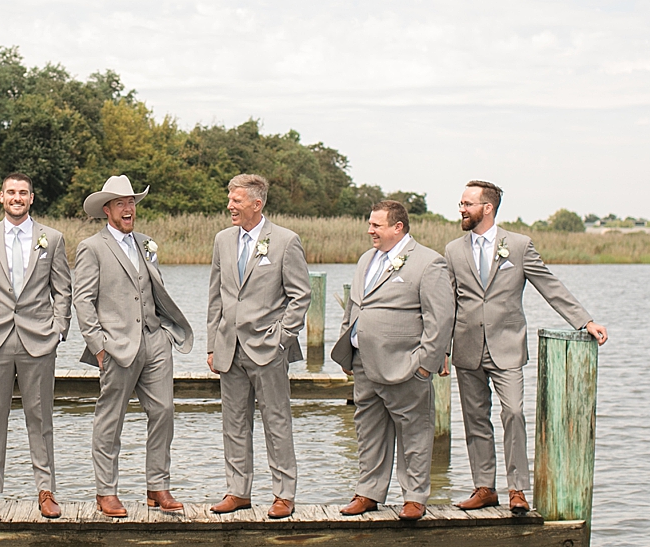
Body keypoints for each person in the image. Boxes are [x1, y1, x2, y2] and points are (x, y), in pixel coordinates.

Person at [446, 180, 609, 514]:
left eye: (467, 204)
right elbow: (447, 303)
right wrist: (440, 351)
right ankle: (484, 488)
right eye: (461, 204)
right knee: (475, 419)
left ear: (487, 208)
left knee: (514, 413)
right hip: (466, 346)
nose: (461, 209)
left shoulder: (518, 246)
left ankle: (517, 489)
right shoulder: (452, 250)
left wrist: (584, 320)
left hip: (507, 347)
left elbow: (549, 284)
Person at [72, 174, 193, 518]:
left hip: (155, 342)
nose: (129, 209)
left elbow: (155, 289)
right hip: (116, 346)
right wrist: (99, 346)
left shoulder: (146, 243)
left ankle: (158, 487)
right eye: (121, 203)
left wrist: (166, 334)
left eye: (132, 203)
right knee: (111, 419)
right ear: (106, 209)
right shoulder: (91, 247)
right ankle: (106, 492)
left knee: (164, 412)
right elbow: (82, 301)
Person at [330, 199, 452, 521]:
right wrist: (347, 348)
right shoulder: (366, 259)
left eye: (376, 225)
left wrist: (425, 363)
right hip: (363, 363)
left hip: (405, 366)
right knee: (367, 430)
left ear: (398, 227)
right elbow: (355, 306)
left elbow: (439, 320)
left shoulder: (429, 263)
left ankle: (414, 497)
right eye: (370, 224)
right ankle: (368, 492)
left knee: (414, 432)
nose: (370, 230)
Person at [0, 173, 72, 519]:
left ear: (32, 198)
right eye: (11, 192)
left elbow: (63, 290)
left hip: (38, 339)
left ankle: (45, 490)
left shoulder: (51, 239)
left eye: (23, 192)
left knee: (41, 418)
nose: (17, 197)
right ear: (1, 197)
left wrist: (58, 329)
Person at [206, 173, 310, 520]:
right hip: (229, 347)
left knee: (276, 421)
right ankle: (238, 491)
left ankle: (283, 494)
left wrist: (282, 338)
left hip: (268, 348)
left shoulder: (285, 240)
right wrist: (211, 345)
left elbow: (300, 296)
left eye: (236, 200)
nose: (229, 205)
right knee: (233, 422)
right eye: (230, 199)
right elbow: (216, 296)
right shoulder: (222, 240)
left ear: (256, 203)